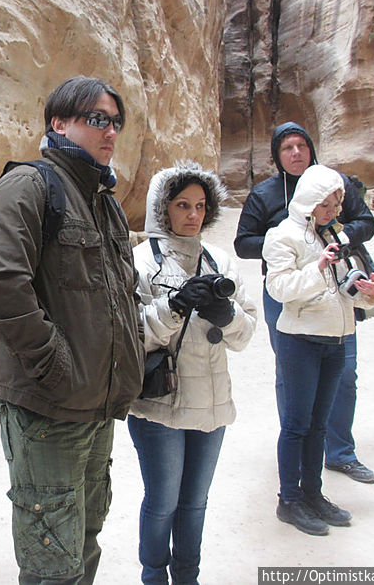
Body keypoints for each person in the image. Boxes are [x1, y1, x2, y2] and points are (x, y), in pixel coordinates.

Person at [0, 76, 144, 585]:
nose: (109, 131)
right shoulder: (29, 185)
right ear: (59, 123)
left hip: (97, 407)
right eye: (96, 119)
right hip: (49, 410)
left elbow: (117, 296)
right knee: (52, 561)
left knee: (84, 541)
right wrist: (56, 368)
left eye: (115, 121)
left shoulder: (103, 199)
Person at [128, 162, 257, 584]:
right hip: (158, 404)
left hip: (212, 403)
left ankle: (187, 576)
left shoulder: (219, 259)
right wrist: (175, 306)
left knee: (195, 502)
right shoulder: (141, 261)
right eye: (182, 204)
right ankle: (153, 577)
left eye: (201, 206)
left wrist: (228, 313)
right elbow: (131, 335)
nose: (192, 215)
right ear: (162, 208)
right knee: (163, 500)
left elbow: (245, 335)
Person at [234, 121, 374, 483]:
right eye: (287, 148)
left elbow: (366, 221)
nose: (296, 153)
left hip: (336, 286)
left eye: (301, 145)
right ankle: (296, 447)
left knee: (344, 371)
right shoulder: (265, 195)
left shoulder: (335, 184)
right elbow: (243, 242)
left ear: (312, 148)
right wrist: (283, 238)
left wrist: (339, 235)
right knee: (293, 374)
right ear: (276, 155)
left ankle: (340, 451)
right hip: (287, 290)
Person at [262, 164, 374, 536]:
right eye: (327, 205)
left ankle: (313, 494)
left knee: (318, 425)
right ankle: (289, 500)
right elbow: (279, 288)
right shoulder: (282, 236)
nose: (334, 212)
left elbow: (351, 282)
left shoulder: (334, 234)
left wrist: (372, 294)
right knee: (296, 425)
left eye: (336, 204)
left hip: (336, 340)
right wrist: (318, 268)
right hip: (301, 341)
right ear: (309, 202)